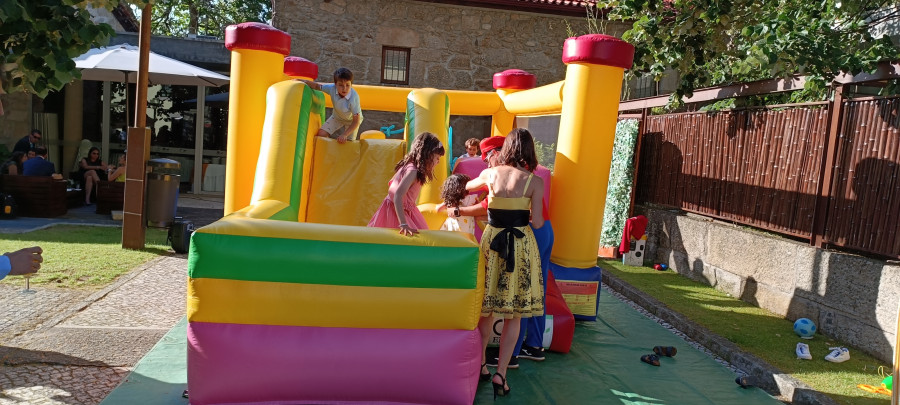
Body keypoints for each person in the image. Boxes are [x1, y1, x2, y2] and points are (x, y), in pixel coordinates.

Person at [467, 128, 544, 399]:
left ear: (506, 148)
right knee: (515, 314)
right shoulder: (535, 181)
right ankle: (501, 373)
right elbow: (538, 223)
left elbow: (467, 187)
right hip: (520, 245)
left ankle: (480, 365)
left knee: (486, 308)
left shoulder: (490, 174)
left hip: (492, 242)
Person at [367, 132, 445, 236]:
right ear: (428, 155)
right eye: (437, 158)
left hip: (406, 209)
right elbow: (398, 195)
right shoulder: (412, 171)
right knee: (413, 237)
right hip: (397, 211)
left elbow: (392, 183)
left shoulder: (409, 165)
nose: (438, 162)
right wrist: (403, 223)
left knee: (422, 235)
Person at [298, 68, 363, 144]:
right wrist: (300, 81)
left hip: (352, 121)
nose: (344, 88)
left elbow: (356, 121)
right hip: (337, 117)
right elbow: (316, 86)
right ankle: (326, 148)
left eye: (347, 85)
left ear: (351, 85)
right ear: (335, 84)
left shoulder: (353, 98)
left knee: (348, 143)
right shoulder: (332, 88)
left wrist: (345, 134)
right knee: (321, 134)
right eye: (341, 85)